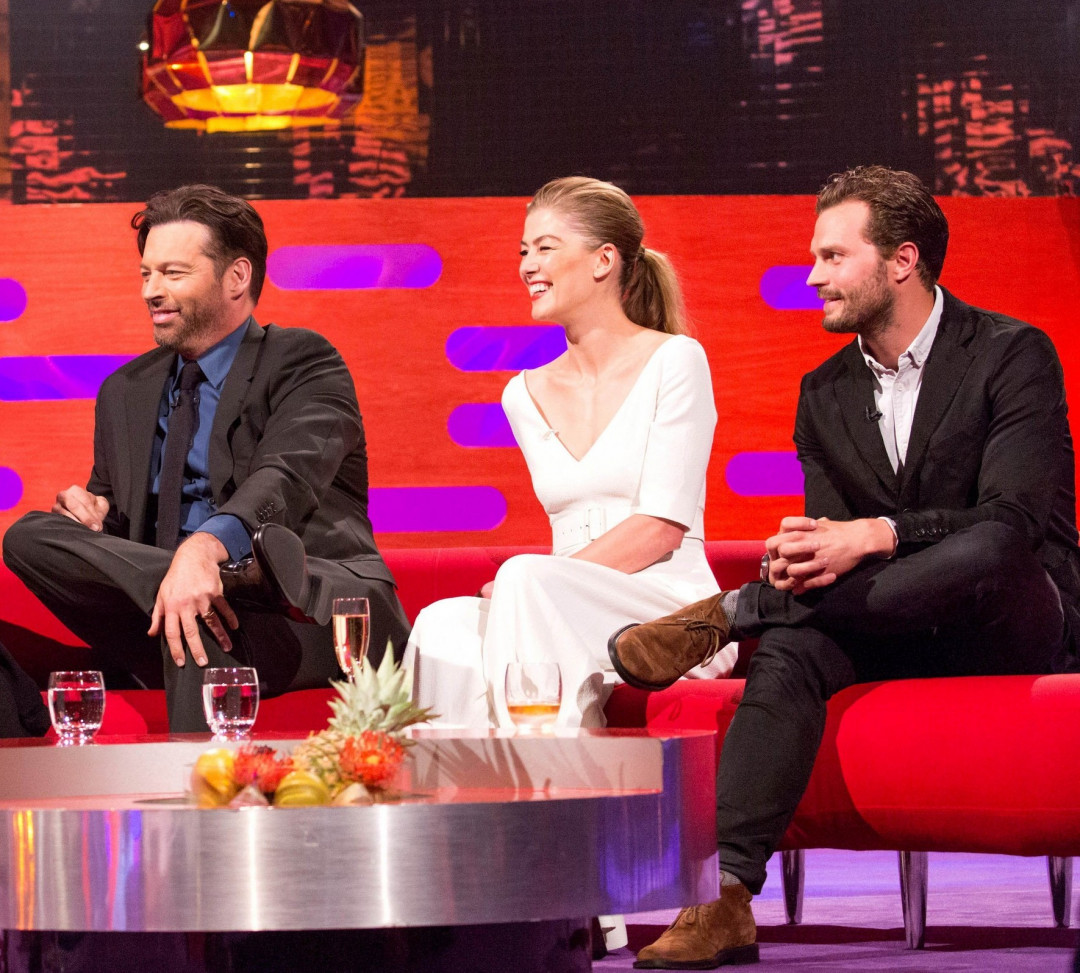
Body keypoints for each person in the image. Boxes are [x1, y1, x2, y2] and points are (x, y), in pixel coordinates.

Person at [609, 165, 1080, 969]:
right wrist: (809, 553)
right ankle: (724, 898)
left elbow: (1016, 523)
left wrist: (877, 533)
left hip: (1013, 616)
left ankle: (745, 610)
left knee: (995, 544)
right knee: (794, 648)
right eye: (814, 257)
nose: (813, 276)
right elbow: (839, 552)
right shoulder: (822, 393)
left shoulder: (1011, 353)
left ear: (902, 261)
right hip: (887, 618)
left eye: (833, 256)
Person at [3, 185, 410, 732]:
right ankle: (190, 594)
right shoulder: (124, 390)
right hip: (178, 602)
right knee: (29, 536)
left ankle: (197, 610)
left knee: (194, 612)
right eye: (146, 274)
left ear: (236, 277)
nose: (151, 290)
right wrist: (92, 516)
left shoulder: (304, 361)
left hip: (300, 613)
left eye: (173, 274)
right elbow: (120, 526)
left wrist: (202, 550)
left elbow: (285, 479)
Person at [404, 176, 735, 737]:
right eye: (523, 251)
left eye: (545, 248)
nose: (528, 266)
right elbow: (544, 582)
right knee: (441, 625)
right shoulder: (522, 393)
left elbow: (661, 528)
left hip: (670, 609)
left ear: (604, 260)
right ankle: (456, 787)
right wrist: (534, 588)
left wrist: (533, 584)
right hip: (556, 600)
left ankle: (555, 779)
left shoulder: (677, 360)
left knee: (524, 579)